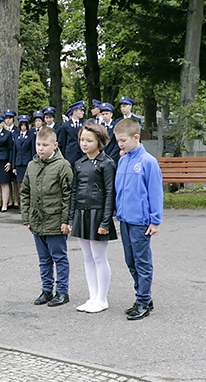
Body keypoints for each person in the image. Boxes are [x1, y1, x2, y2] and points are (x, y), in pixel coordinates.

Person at [65, 122, 117, 314]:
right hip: (81, 213)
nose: (84, 143)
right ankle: (92, 297)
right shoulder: (79, 163)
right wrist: (71, 218)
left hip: (98, 214)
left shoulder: (107, 163)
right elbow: (74, 192)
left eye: (89, 140)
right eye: (81, 140)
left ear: (99, 141)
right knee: (87, 258)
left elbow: (110, 193)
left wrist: (106, 221)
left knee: (99, 257)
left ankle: (102, 299)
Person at [114, 118, 162, 320]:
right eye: (117, 141)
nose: (120, 144)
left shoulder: (148, 162)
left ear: (136, 137)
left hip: (141, 221)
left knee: (142, 262)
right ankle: (143, 295)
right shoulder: (123, 160)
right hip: (125, 219)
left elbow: (155, 192)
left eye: (123, 140)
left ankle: (143, 300)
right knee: (130, 260)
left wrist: (155, 220)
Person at [21, 126, 73, 307]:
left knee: (59, 257)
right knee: (44, 259)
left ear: (55, 145)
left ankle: (62, 291)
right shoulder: (32, 165)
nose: (40, 148)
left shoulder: (62, 166)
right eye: (38, 144)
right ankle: (46, 290)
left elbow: (68, 195)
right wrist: (26, 217)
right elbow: (25, 192)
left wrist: (66, 220)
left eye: (44, 145)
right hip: (37, 221)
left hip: (55, 220)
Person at [12, 115, 34, 207]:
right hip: (19, 163)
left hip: (27, 162)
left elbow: (33, 150)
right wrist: (14, 166)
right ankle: (22, 203)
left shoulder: (31, 136)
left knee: (28, 184)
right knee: (20, 184)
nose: (23, 127)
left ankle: (29, 203)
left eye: (25, 125)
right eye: (22, 125)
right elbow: (14, 151)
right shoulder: (16, 136)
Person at [59, 101, 85, 165]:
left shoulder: (84, 124)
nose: (83, 112)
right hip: (70, 155)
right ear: (75, 111)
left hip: (83, 154)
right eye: (81, 110)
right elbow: (63, 143)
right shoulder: (65, 126)